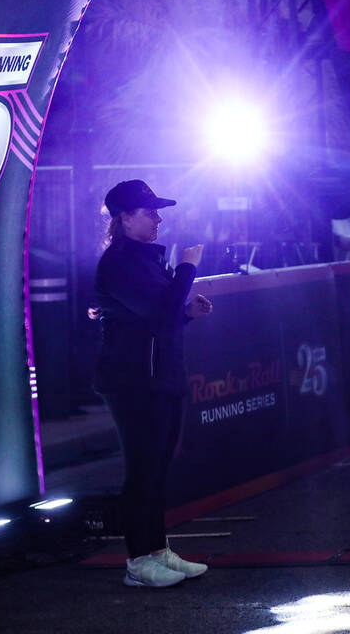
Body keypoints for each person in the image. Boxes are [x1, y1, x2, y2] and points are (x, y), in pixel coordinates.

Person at [92, 180, 214, 588]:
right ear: (124, 218)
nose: (158, 218)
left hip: (159, 376)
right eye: (149, 212)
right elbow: (156, 315)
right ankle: (138, 560)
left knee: (158, 467)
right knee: (142, 469)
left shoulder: (143, 258)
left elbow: (162, 318)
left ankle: (158, 550)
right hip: (132, 380)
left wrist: (188, 314)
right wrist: (187, 268)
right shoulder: (119, 262)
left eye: (158, 211)